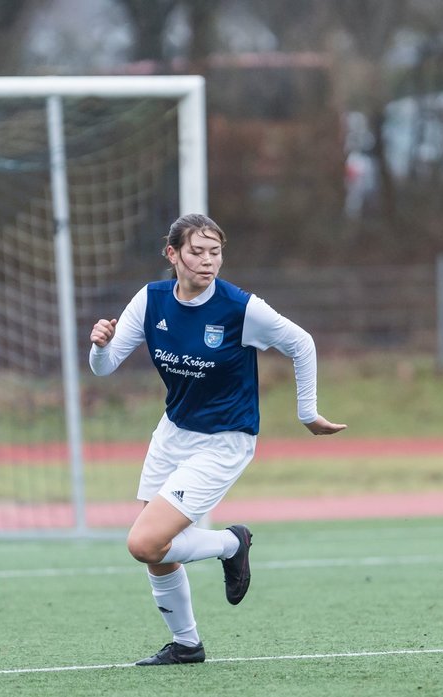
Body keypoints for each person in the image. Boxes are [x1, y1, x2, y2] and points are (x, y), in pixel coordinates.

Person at [89, 214, 347, 665]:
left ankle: (232, 543)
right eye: (196, 251)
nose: (208, 262)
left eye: (215, 252)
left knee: (143, 542)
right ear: (172, 255)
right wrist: (99, 346)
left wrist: (307, 413)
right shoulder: (150, 300)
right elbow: (105, 367)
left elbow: (301, 343)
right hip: (172, 433)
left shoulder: (239, 308)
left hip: (224, 441)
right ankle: (187, 645)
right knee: (159, 554)